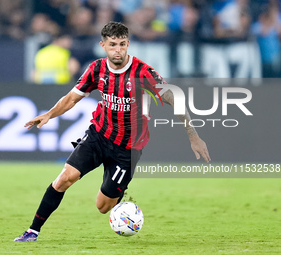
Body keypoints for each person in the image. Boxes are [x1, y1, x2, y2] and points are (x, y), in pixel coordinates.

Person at [14, 21, 210, 242]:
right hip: (98, 135)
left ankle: (119, 193)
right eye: (113, 44)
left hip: (127, 148)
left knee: (102, 206)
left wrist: (193, 136)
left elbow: (174, 99)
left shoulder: (143, 72)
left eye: (123, 44)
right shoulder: (97, 69)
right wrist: (50, 114)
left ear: (128, 44)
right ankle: (32, 231)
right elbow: (72, 97)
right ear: (103, 45)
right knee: (64, 179)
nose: (118, 50)